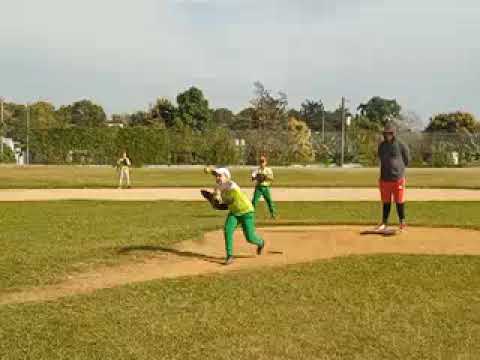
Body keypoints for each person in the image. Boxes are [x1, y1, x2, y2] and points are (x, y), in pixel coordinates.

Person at [202, 167, 265, 265]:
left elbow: (226, 191)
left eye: (220, 175)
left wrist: (211, 171)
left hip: (246, 212)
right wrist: (212, 200)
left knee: (250, 238)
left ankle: (261, 242)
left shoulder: (232, 185)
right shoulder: (217, 187)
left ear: (227, 177)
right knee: (227, 229)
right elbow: (221, 204)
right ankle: (229, 255)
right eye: (217, 176)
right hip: (234, 213)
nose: (218, 177)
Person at [377, 123, 410, 232]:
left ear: (394, 133)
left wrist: (399, 168)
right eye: (386, 133)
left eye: (390, 133)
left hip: (397, 178)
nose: (388, 135)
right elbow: (380, 158)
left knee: (399, 201)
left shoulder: (400, 144)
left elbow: (407, 159)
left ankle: (402, 222)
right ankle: (384, 223)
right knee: (386, 202)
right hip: (385, 178)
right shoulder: (382, 145)